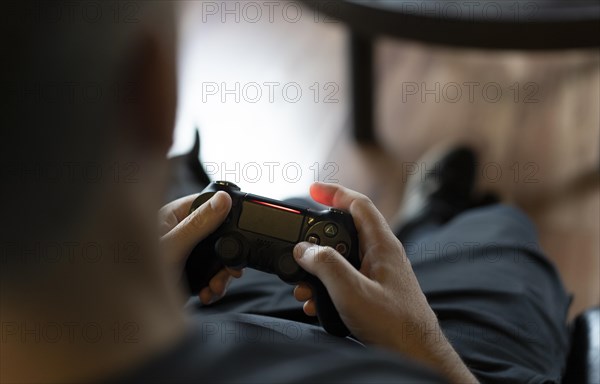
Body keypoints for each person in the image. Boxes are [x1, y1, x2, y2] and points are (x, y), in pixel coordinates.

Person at [0, 3, 570, 383]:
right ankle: (440, 218)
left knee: (298, 221)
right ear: (152, 92)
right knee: (496, 239)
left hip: (188, 318)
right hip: (369, 344)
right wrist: (424, 348)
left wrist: (126, 290)